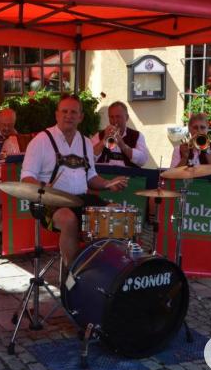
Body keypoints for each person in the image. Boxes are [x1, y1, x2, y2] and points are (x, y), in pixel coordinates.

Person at [21, 96, 128, 267]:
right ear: (56, 115)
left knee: (114, 212)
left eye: (73, 112)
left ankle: (102, 270)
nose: (68, 116)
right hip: (49, 202)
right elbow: (26, 177)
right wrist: (42, 187)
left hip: (80, 199)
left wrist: (108, 183)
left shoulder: (86, 143)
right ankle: (74, 274)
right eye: (64, 111)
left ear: (81, 117)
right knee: (69, 219)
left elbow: (91, 177)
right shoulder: (41, 141)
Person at [91, 101, 150, 168]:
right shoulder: (100, 135)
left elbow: (142, 161)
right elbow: (89, 158)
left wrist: (123, 146)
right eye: (111, 117)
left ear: (127, 117)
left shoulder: (137, 136)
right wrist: (103, 140)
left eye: (118, 117)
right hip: (105, 176)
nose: (115, 121)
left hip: (128, 176)